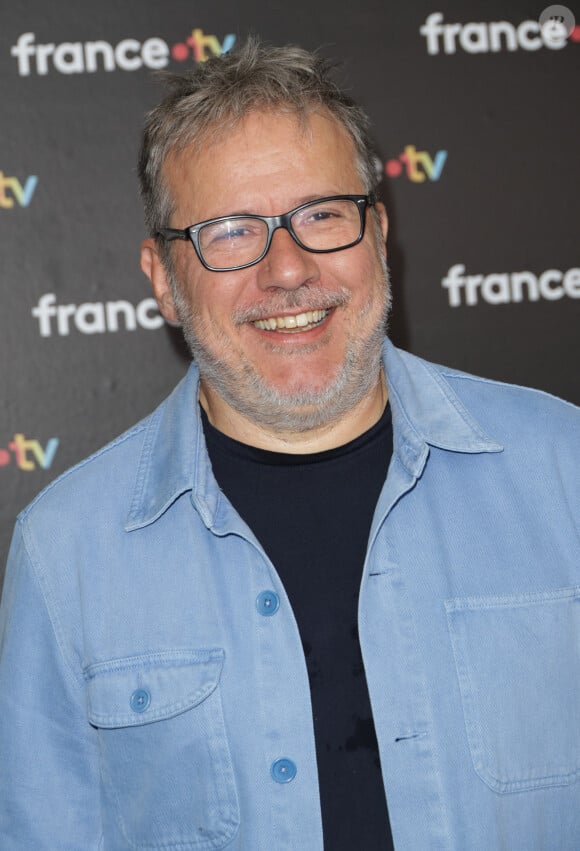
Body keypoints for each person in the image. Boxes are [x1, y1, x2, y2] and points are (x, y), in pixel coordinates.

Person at [0, 38, 579, 851]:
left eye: (321, 215)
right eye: (232, 231)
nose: (287, 268)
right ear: (163, 278)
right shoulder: (67, 555)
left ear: (378, 234)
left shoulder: (565, 472)